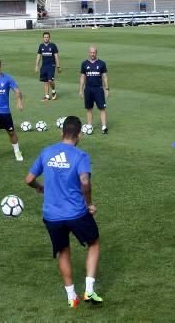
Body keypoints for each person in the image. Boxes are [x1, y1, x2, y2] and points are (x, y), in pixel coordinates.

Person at [24, 115, 103, 308]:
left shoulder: (47, 152)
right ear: (80, 135)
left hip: (51, 215)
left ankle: (71, 297)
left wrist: (39, 186)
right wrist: (89, 204)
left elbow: (28, 179)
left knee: (63, 251)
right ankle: (89, 290)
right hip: (76, 213)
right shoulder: (80, 156)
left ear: (62, 133)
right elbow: (85, 181)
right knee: (93, 243)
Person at [79, 45, 109, 134]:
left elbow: (105, 76)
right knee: (89, 109)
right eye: (91, 52)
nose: (92, 54)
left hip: (98, 89)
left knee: (102, 108)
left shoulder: (101, 63)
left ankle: (104, 127)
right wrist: (80, 90)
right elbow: (82, 77)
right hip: (88, 89)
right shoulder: (84, 64)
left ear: (96, 53)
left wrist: (107, 88)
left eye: (94, 53)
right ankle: (89, 126)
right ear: (89, 53)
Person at [35, 31, 60, 101]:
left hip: (51, 65)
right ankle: (47, 96)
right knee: (45, 81)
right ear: (43, 38)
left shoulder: (53, 46)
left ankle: (54, 91)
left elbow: (56, 56)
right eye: (45, 37)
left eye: (47, 37)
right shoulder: (41, 46)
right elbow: (38, 56)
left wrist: (58, 66)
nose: (46, 38)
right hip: (44, 66)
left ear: (49, 38)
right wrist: (36, 66)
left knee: (50, 80)